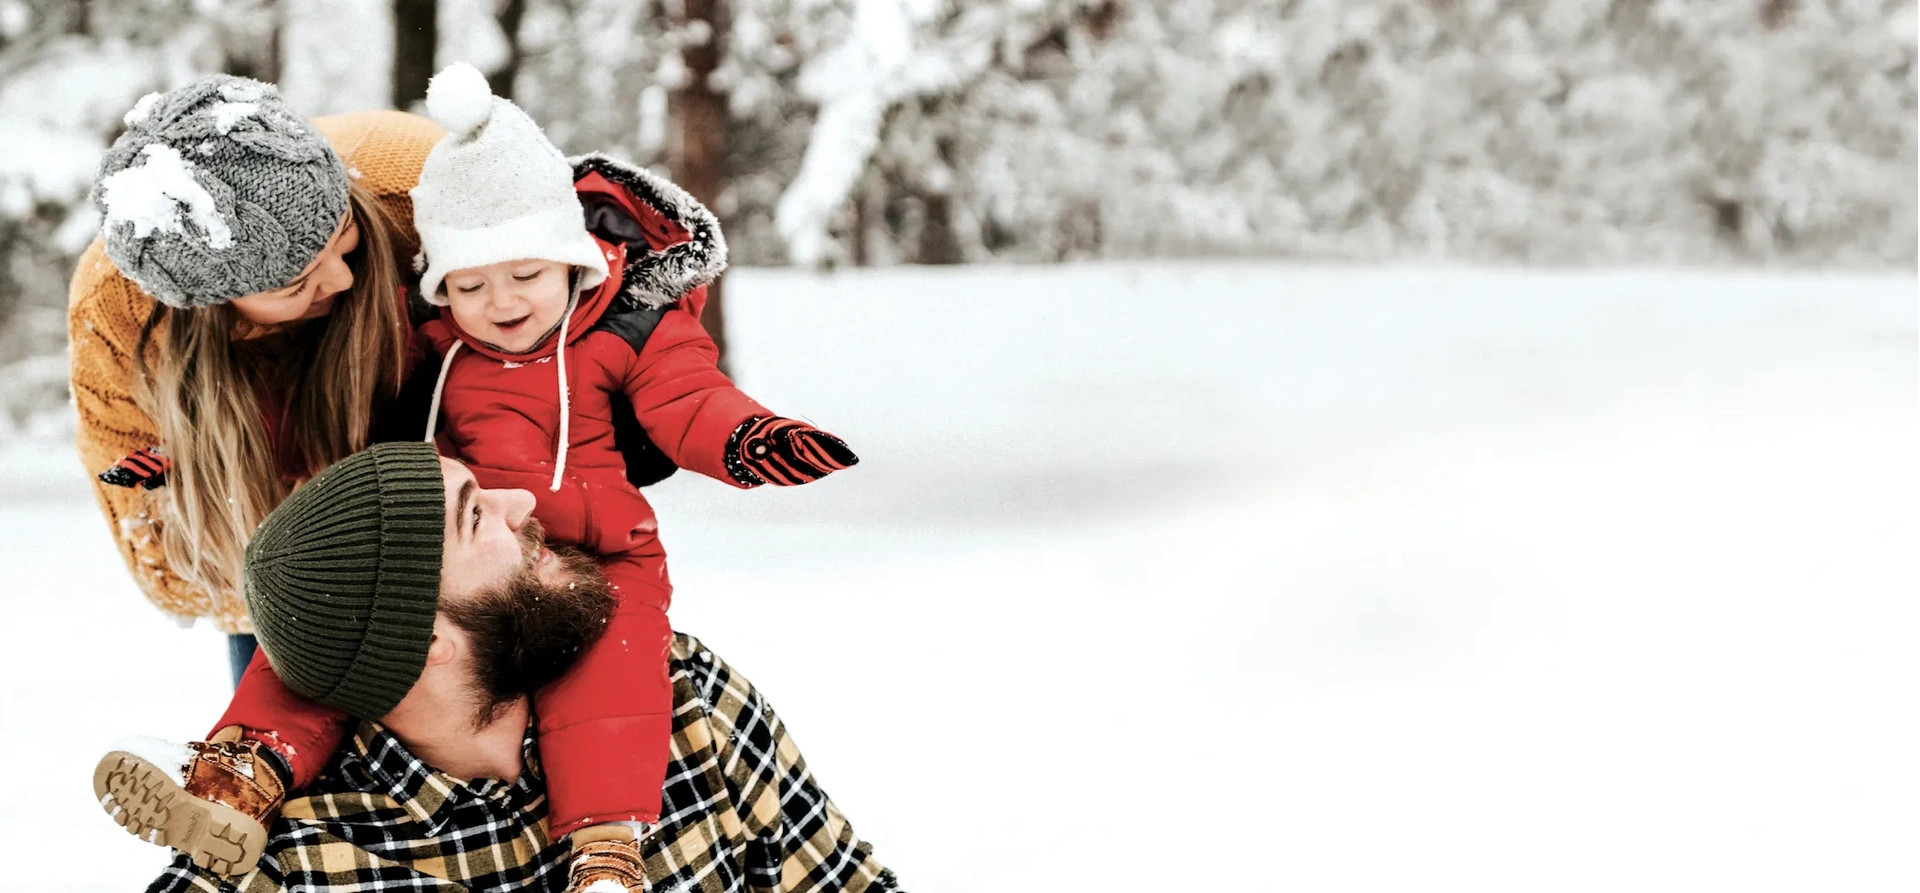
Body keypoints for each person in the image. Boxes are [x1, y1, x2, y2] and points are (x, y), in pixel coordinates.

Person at [94, 61, 859, 884]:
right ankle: (235, 776)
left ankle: (604, 845)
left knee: (612, 676)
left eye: (526, 275)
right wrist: (178, 459)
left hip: (601, 546)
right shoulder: (428, 337)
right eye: (470, 283)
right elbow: (302, 412)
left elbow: (688, 399)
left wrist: (748, 440)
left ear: (572, 262)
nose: (500, 301)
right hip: (449, 530)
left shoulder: (623, 330)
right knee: (322, 639)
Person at [116, 441, 902, 892]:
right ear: (426, 639)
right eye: (475, 515)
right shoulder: (293, 866)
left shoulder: (688, 704)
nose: (524, 504)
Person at [68, 73, 442, 677]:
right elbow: (143, 499)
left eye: (342, 240)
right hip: (271, 527)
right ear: (214, 306)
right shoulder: (121, 314)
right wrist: (254, 585)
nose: (344, 281)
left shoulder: (416, 178)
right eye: (296, 282)